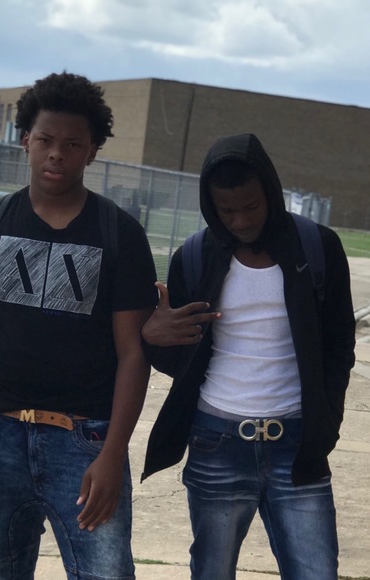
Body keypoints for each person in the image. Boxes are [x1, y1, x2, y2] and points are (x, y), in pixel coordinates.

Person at [0, 72, 158, 579]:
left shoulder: (120, 234)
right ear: (25, 141)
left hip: (85, 441)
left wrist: (112, 453)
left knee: (105, 574)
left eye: (73, 144)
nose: (57, 154)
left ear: (92, 151)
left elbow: (133, 354)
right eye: (45, 140)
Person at [141, 133, 356, 579]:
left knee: (317, 572)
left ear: (271, 194)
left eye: (251, 207)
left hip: (297, 445)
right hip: (216, 441)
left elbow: (339, 346)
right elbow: (180, 363)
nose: (240, 220)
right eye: (227, 211)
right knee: (212, 571)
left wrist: (325, 423)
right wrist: (153, 337)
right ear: (211, 206)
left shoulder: (318, 247)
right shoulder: (194, 257)